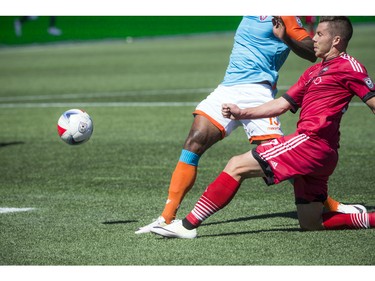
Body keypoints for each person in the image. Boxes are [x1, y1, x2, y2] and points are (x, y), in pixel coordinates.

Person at [135, 16, 366, 234]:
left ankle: (331, 205)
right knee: (193, 143)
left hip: (258, 91)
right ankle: (166, 218)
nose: (317, 38)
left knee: (281, 159)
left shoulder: (283, 12)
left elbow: (309, 51)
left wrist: (284, 36)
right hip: (228, 88)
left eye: (320, 34)